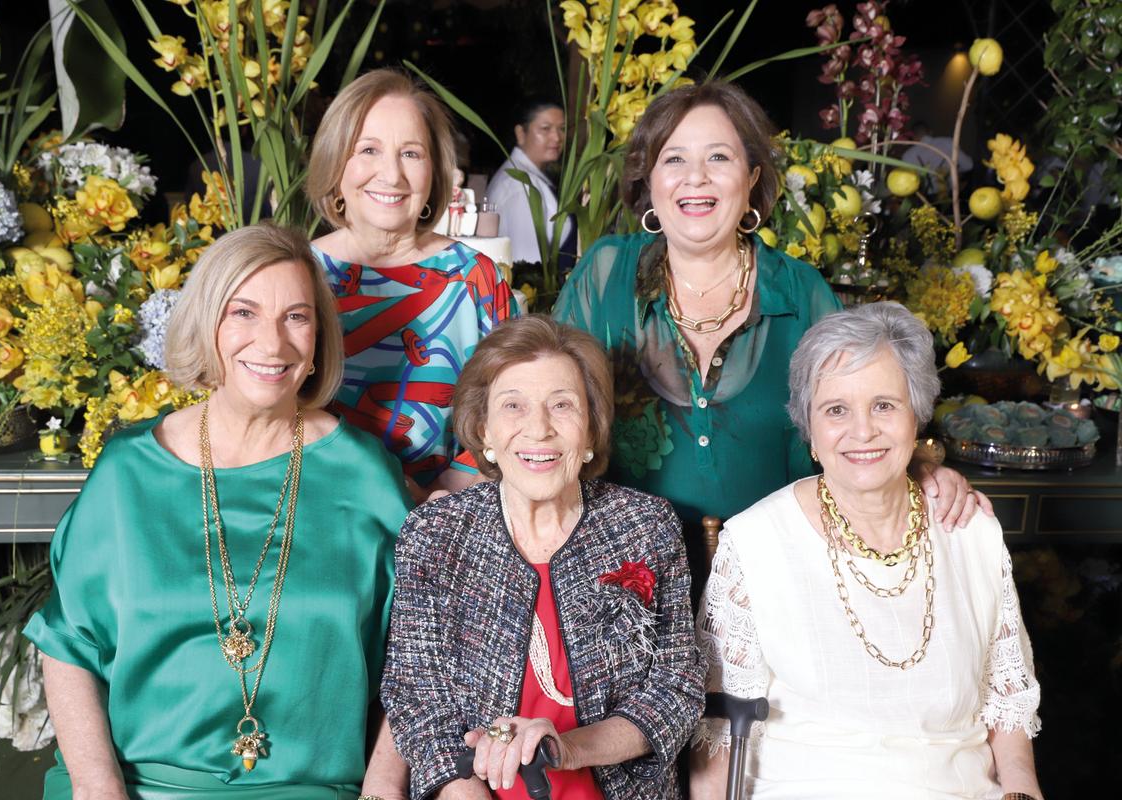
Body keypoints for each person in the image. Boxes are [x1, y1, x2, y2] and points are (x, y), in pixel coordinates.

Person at [552, 81, 988, 596]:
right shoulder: (605, 276)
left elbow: (860, 411)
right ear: (649, 179)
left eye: (719, 156)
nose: (696, 177)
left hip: (781, 580)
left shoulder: (799, 291)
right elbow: (548, 407)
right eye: (674, 159)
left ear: (752, 177)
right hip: (621, 584)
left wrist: (923, 472)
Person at [24, 223, 412, 799]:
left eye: (296, 317)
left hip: (312, 788)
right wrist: (97, 788)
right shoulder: (128, 473)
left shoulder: (365, 476)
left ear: (319, 339)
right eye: (244, 312)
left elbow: (418, 660)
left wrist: (383, 791)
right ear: (208, 323)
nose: (273, 343)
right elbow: (68, 646)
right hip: (137, 786)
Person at [691, 302, 1042, 799]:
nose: (863, 431)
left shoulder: (970, 532)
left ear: (916, 417)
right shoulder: (755, 544)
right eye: (836, 410)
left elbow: (1008, 707)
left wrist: (1022, 789)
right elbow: (718, 740)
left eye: (884, 405)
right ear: (809, 430)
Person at [381, 315, 704, 800]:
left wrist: (570, 750)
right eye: (513, 406)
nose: (539, 428)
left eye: (562, 405)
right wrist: (461, 790)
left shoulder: (645, 525)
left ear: (591, 431)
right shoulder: (436, 534)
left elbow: (675, 689)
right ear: (484, 430)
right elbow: (416, 696)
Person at [307, 68, 516, 503]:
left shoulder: (475, 278)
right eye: (368, 149)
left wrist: (440, 497)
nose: (391, 174)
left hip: (449, 511)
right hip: (317, 506)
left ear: (435, 171)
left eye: (411, 154)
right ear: (335, 164)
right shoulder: (299, 273)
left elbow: (512, 406)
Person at [486, 98, 574, 268]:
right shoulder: (519, 186)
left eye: (562, 129)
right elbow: (528, 265)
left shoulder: (528, 177)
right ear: (521, 133)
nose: (557, 137)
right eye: (545, 128)